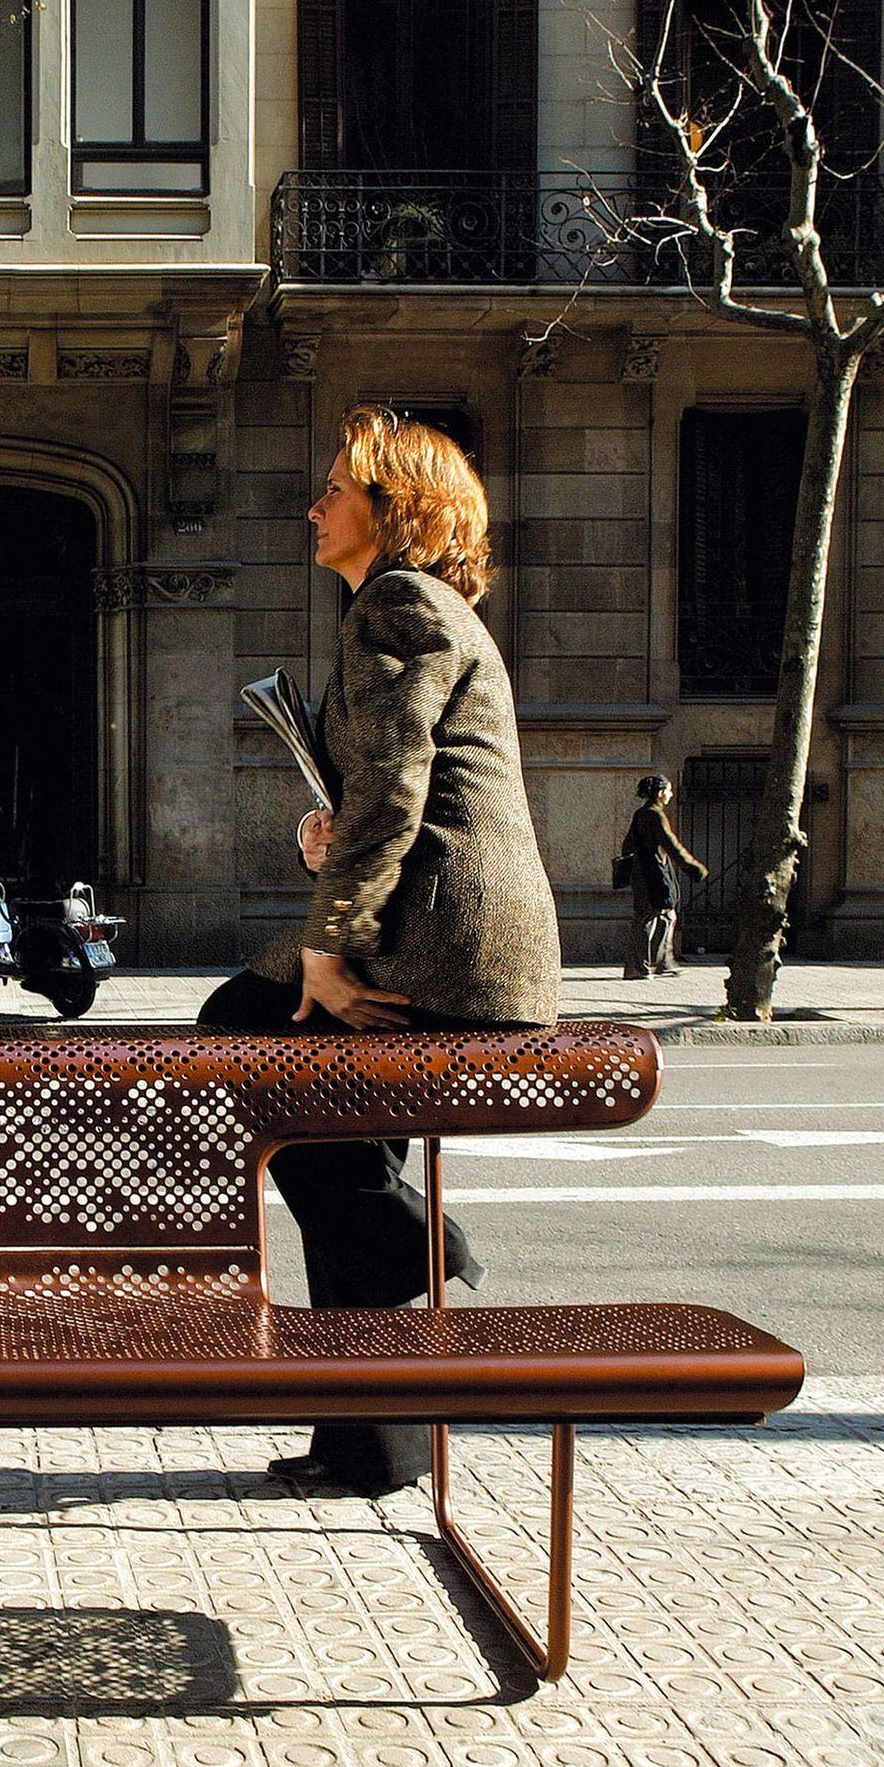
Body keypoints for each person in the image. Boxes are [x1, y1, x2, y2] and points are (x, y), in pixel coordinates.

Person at [199, 407, 561, 1496]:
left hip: (445, 947)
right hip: (456, 937)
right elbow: (393, 789)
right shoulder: (406, 607)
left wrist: (328, 949)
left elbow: (403, 789)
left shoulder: (397, 603)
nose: (314, 506)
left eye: (336, 489)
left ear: (394, 509)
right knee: (339, 1144)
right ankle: (371, 1442)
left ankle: (409, 1246)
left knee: (239, 1025)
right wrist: (330, 832)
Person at [618, 774, 706, 978]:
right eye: (668, 790)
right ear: (660, 793)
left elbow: (627, 845)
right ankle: (636, 968)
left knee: (668, 915)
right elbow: (672, 845)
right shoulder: (654, 816)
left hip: (650, 874)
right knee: (646, 919)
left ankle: (663, 962)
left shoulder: (641, 814)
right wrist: (694, 867)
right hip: (652, 876)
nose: (671, 794)